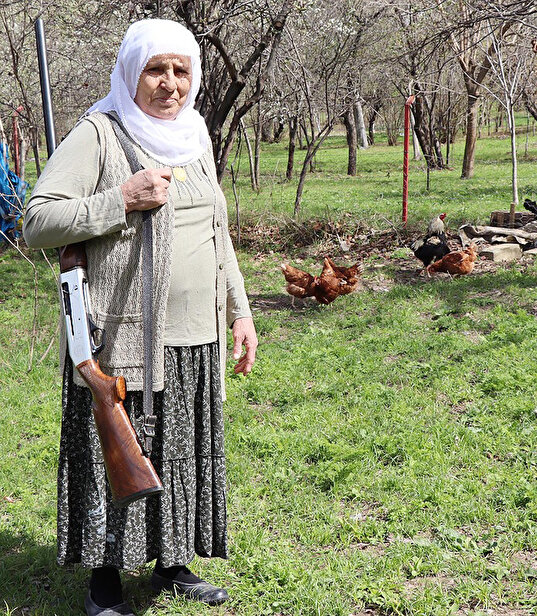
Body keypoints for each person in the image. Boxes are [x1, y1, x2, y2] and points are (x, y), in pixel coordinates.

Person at [23, 19, 257, 616]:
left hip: (194, 337)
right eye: (156, 69)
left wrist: (240, 310)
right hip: (122, 338)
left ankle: (172, 564)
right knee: (115, 457)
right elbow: (37, 221)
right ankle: (104, 578)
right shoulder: (100, 135)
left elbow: (217, 232)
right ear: (132, 73)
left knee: (179, 452)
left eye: (181, 70)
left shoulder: (196, 136)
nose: (170, 84)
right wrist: (120, 199)